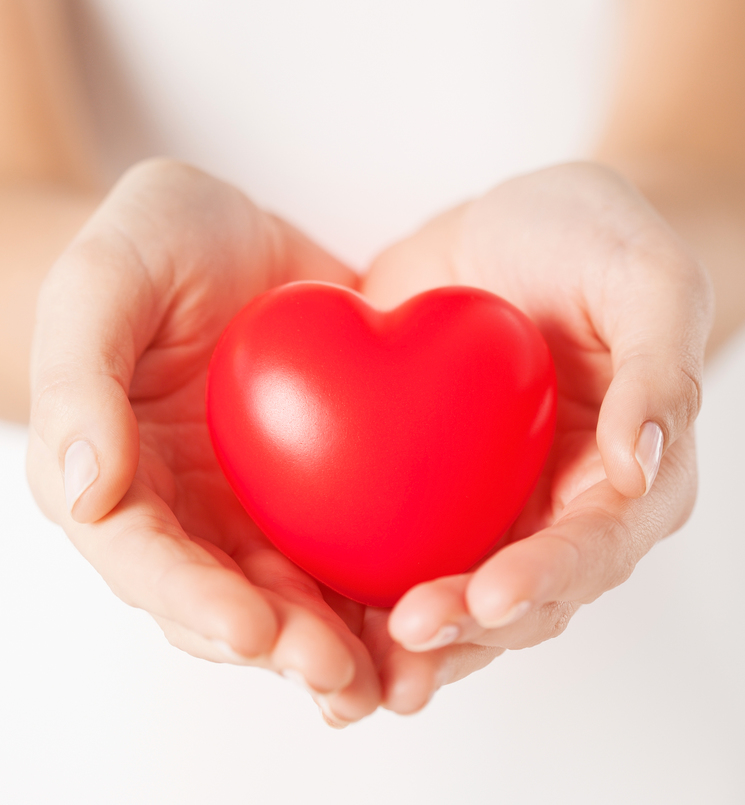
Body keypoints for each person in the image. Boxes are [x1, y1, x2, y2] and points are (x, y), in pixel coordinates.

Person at [1, 0, 742, 732]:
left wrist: (638, 276)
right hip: (109, 685)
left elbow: (717, 161)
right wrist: (98, 329)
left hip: (651, 673)